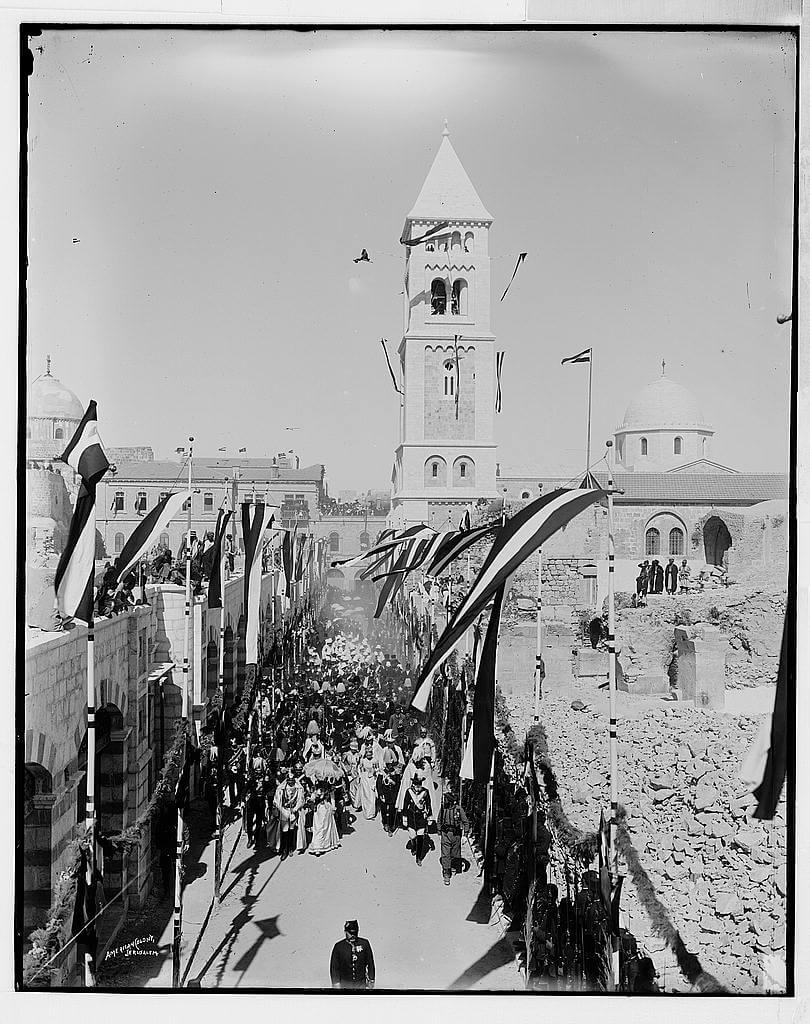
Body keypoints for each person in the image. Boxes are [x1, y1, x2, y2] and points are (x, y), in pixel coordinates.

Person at [329, 920, 376, 990]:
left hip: (361, 984)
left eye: (355, 933)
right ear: (345, 932)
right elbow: (334, 968)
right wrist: (336, 983)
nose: (353, 935)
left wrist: (371, 980)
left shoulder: (364, 944)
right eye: (350, 933)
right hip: (344, 984)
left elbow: (370, 963)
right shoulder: (338, 947)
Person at [437, 789, 469, 884]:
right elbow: (439, 820)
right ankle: (446, 873)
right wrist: (439, 832)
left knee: (455, 853)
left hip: (456, 835)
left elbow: (465, 822)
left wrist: (465, 835)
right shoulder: (443, 809)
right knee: (445, 854)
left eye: (446, 799)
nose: (444, 801)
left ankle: (454, 867)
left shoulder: (459, 809)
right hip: (445, 833)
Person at [402, 774, 432, 866]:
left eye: (420, 786)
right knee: (412, 836)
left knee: (420, 838)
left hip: (421, 818)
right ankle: (413, 845)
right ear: (413, 785)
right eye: (416, 786)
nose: (418, 788)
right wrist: (405, 817)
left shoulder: (425, 792)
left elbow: (428, 804)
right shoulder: (409, 792)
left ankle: (419, 858)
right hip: (411, 817)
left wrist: (430, 817)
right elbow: (405, 804)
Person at [274, 768, 304, 860]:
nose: (291, 783)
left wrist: (296, 808)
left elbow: (301, 799)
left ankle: (290, 847)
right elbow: (276, 800)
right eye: (289, 781)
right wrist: (281, 809)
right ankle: (284, 850)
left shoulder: (298, 788)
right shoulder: (281, 789)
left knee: (291, 830)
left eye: (292, 781)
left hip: (293, 811)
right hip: (284, 810)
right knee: (284, 831)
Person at [309, 783, 341, 856]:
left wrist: (333, 808)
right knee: (318, 828)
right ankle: (317, 847)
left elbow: (332, 798)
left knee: (326, 828)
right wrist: (316, 797)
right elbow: (312, 798)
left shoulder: (329, 788)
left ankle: (325, 845)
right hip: (318, 810)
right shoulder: (315, 788)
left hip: (326, 809)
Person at [376, 763, 400, 836]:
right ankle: (385, 822)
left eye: (390, 764)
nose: (389, 766)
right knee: (384, 810)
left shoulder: (396, 773)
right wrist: (380, 794)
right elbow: (378, 785)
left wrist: (396, 794)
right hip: (384, 794)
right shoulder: (382, 773)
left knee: (392, 811)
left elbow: (398, 784)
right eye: (388, 764)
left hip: (393, 795)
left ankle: (391, 826)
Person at [357, 743, 378, 819]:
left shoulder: (375, 760)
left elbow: (377, 769)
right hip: (365, 778)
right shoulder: (363, 760)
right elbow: (359, 768)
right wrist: (360, 776)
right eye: (367, 754)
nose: (369, 755)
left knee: (372, 796)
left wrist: (375, 772)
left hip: (372, 778)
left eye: (370, 754)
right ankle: (366, 813)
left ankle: (371, 813)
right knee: (366, 796)